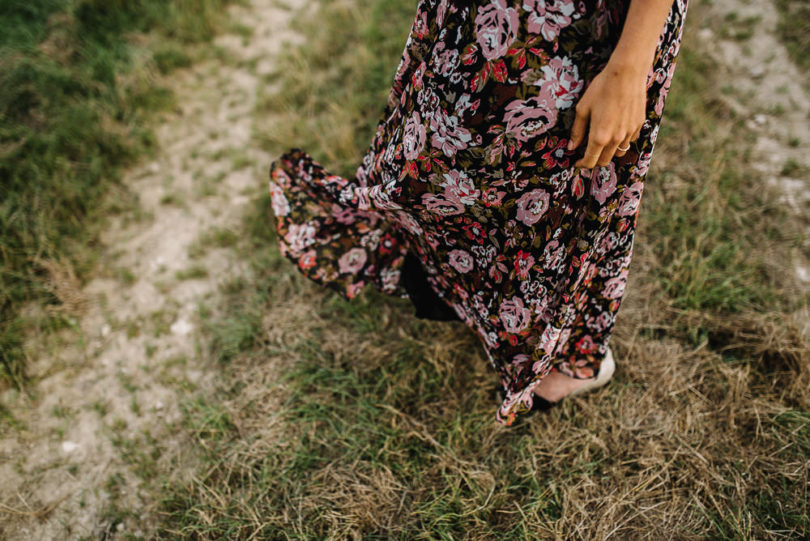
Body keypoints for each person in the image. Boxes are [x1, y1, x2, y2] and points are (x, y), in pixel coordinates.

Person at [269, 0, 689, 426]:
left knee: (559, 184)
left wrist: (631, 64)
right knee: (439, 151)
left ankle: (568, 355)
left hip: (583, 21)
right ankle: (460, 285)